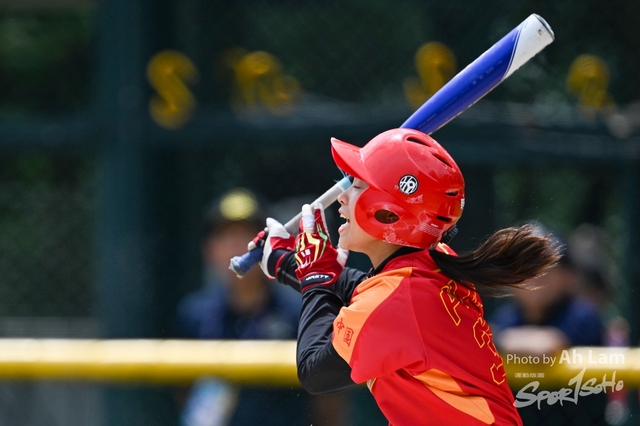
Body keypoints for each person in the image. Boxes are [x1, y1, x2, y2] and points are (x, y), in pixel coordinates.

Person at [252, 128, 562, 425]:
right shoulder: (427, 266)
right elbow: (364, 291)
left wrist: (315, 277)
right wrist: (286, 263)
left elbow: (315, 373)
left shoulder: (400, 298)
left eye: (357, 186)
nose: (343, 197)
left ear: (388, 214)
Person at [175, 187, 343, 426]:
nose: (236, 247)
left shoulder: (301, 313)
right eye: (226, 238)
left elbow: (328, 401)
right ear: (209, 249)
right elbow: (186, 396)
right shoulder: (195, 315)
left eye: (247, 236)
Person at [489, 223, 607, 425]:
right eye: (524, 265)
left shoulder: (582, 314)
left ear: (568, 276)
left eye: (545, 265)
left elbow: (546, 346)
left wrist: (495, 339)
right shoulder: (507, 316)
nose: (534, 274)